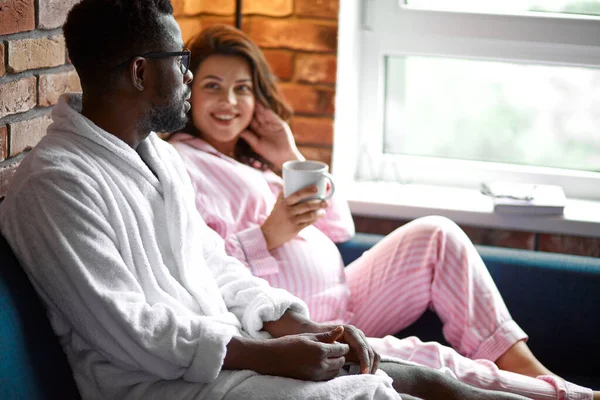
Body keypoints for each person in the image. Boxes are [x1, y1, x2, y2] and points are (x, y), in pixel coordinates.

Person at [0, 1, 538, 400]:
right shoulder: (55, 186)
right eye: (181, 60)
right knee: (367, 392)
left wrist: (297, 326)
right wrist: (262, 353)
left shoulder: (154, 157)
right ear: (140, 71)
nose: (188, 75)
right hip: (162, 386)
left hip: (229, 353)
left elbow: (211, 262)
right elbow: (129, 328)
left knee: (427, 377)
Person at [168, 24, 599, 400]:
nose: (229, 101)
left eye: (242, 88)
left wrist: (288, 155)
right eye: (212, 86)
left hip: (346, 295)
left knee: (436, 233)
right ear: (188, 92)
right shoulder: (183, 163)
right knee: (428, 360)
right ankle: (564, 395)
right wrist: (267, 236)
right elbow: (198, 266)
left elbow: (339, 226)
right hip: (297, 323)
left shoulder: (256, 161)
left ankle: (531, 368)